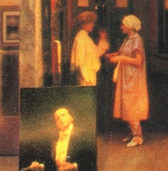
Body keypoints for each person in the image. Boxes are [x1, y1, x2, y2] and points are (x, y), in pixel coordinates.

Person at [106, 14, 149, 148]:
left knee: (131, 105)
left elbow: (138, 61)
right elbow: (125, 53)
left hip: (133, 78)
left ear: (129, 26)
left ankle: (138, 136)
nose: (121, 27)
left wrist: (121, 59)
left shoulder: (136, 40)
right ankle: (133, 132)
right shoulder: (128, 39)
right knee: (126, 104)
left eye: (123, 24)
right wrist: (115, 55)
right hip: (126, 76)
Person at [24, 107, 96, 171]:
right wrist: (41, 166)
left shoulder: (84, 135)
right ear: (56, 124)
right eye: (58, 118)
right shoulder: (54, 140)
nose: (61, 119)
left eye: (63, 115)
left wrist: (75, 166)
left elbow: (92, 160)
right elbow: (51, 164)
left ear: (71, 117)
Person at [70, 11, 109, 87]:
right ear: (84, 24)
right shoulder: (81, 39)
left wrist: (103, 39)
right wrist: (87, 79)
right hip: (86, 76)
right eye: (90, 23)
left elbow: (95, 53)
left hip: (89, 74)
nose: (92, 25)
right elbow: (80, 61)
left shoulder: (86, 38)